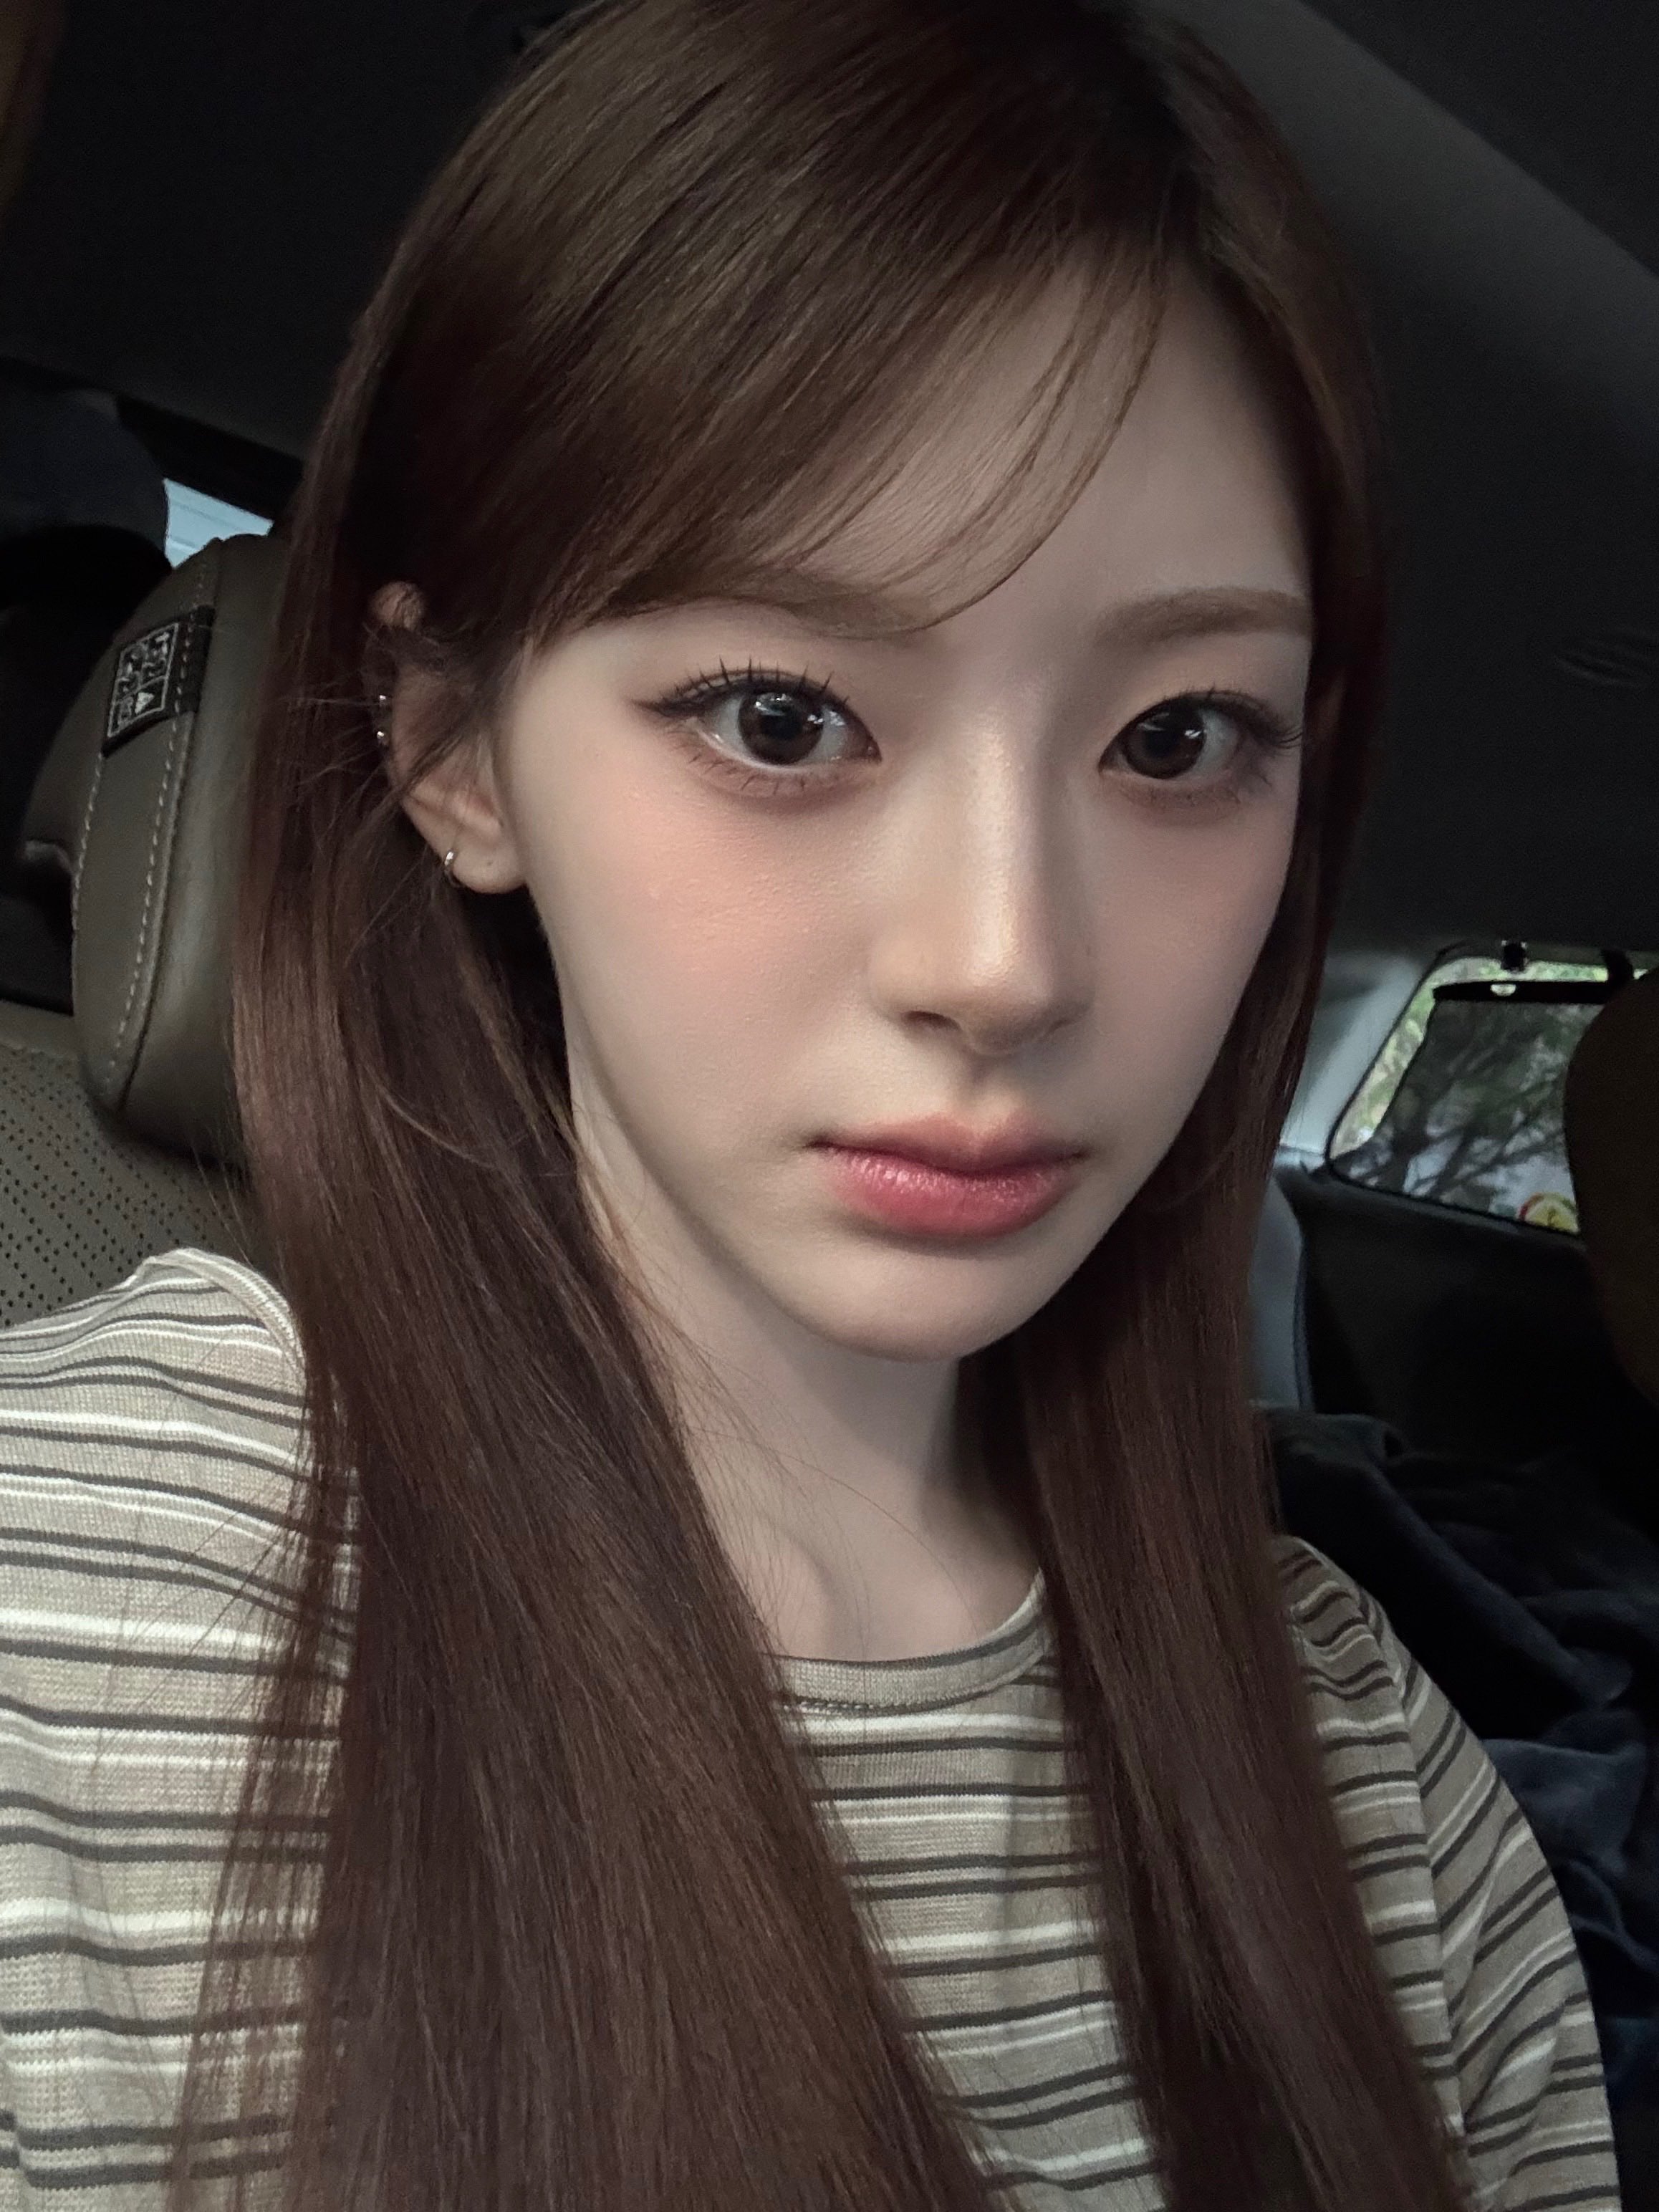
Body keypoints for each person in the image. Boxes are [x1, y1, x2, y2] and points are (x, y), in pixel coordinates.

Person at [0, 1, 1621, 2208]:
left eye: (1173, 740)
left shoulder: (1370, 1777)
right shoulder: (69, 1605)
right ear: (453, 751)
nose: (1005, 960)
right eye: (778, 717)